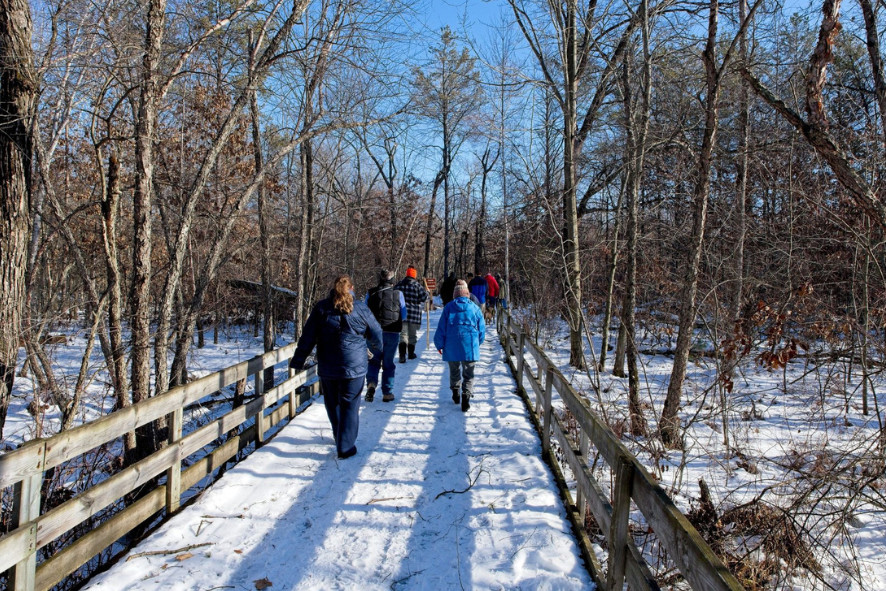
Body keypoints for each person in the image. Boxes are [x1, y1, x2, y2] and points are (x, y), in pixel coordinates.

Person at [289, 275, 382, 459]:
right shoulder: (361, 308)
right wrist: (376, 347)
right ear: (352, 288)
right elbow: (376, 331)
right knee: (350, 405)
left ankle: (339, 434)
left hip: (329, 366)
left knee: (332, 404)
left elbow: (308, 336)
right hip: (354, 366)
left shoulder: (322, 308)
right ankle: (345, 446)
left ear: (334, 288)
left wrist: (298, 360)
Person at [434, 279, 485, 412]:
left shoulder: (448, 308)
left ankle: (456, 392)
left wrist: (439, 344)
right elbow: (482, 330)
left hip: (451, 346)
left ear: (455, 294)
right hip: (470, 345)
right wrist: (477, 343)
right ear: (467, 293)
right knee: (469, 372)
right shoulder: (475, 308)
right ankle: (466, 395)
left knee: (454, 370)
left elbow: (441, 329)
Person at [365, 269, 406, 402]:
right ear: (392, 280)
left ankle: (371, 385)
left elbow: (364, 313)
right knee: (388, 363)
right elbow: (403, 314)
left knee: (373, 360)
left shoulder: (370, 293)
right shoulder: (398, 294)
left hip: (373, 333)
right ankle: (387, 393)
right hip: (392, 332)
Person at [395, 265, 429, 363]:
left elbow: (394, 295)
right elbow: (424, 298)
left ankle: (402, 355)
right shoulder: (417, 285)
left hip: (402, 313)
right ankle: (410, 354)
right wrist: (427, 292)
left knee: (403, 335)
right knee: (412, 335)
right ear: (414, 275)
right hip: (414, 314)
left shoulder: (399, 285)